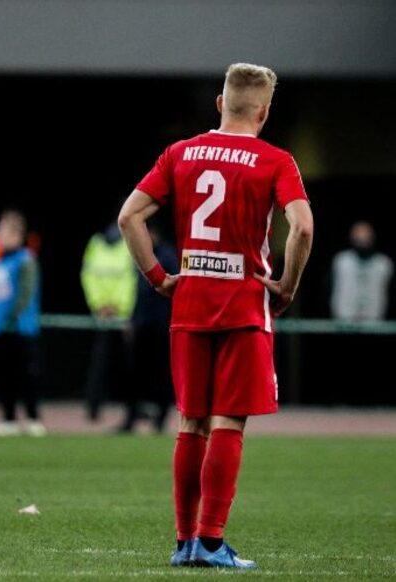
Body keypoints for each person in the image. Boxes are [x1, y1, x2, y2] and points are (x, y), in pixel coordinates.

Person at [118, 63, 313, 568]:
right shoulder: (275, 161)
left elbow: (129, 216)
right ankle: (209, 541)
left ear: (220, 104)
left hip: (190, 305)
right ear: (264, 113)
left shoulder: (180, 153)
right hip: (243, 307)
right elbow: (303, 227)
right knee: (228, 421)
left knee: (191, 422)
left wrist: (158, 277)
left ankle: (185, 542)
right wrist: (287, 286)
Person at [0, 209, 44, 436]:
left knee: (26, 375)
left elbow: (26, 292)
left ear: (17, 235)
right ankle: (8, 418)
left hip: (20, 329)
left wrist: (12, 316)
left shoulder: (25, 260)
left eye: (4, 231)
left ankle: (33, 418)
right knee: (3, 376)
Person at [117, 224, 177, 433]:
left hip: (162, 324)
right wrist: (131, 319)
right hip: (142, 323)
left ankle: (160, 418)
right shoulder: (139, 256)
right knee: (134, 373)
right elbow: (135, 292)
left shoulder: (168, 256)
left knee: (162, 373)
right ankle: (131, 417)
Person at [80, 212, 138, 422]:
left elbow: (130, 279)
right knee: (103, 363)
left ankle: (131, 411)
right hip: (113, 315)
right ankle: (95, 408)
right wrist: (103, 306)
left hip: (118, 316)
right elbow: (89, 275)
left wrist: (105, 306)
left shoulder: (103, 243)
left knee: (127, 365)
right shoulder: (101, 243)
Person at [330, 221, 393, 321]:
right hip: (344, 320)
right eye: (358, 236)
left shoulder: (383, 264)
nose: (362, 240)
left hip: (375, 321)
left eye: (366, 236)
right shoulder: (341, 261)